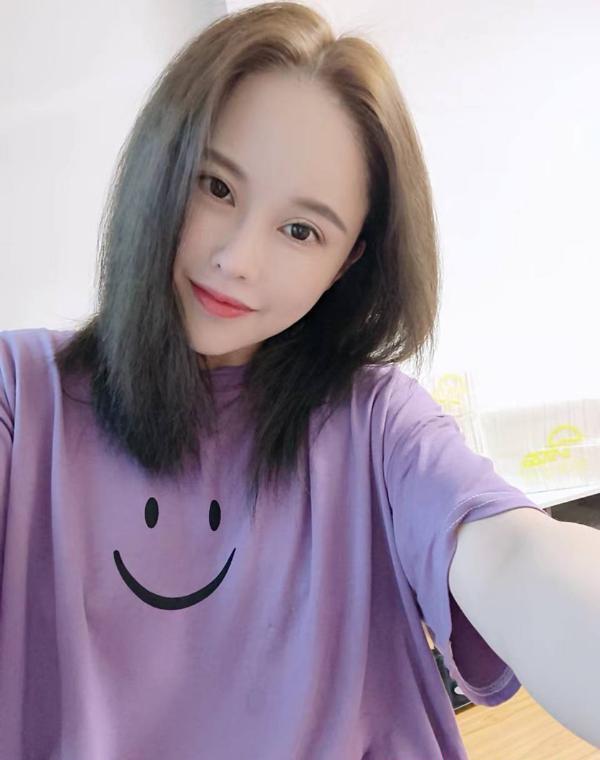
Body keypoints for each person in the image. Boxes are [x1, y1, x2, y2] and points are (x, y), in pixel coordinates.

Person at [0, 2, 551, 758]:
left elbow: (516, 553)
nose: (237, 259)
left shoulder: (377, 425)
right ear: (161, 164)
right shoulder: (22, 393)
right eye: (216, 187)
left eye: (301, 230)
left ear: (347, 262)